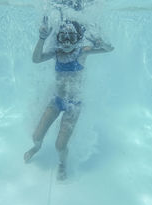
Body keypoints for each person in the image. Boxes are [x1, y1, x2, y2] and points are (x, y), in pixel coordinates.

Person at [24, 16, 114, 180]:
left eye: (71, 37)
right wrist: (42, 38)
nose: (66, 42)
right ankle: (36, 148)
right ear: (58, 38)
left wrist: (101, 42)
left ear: (78, 38)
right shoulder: (56, 53)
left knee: (60, 145)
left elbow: (109, 49)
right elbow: (36, 59)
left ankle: (62, 164)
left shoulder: (82, 52)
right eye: (63, 37)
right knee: (36, 137)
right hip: (56, 101)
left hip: (73, 105)